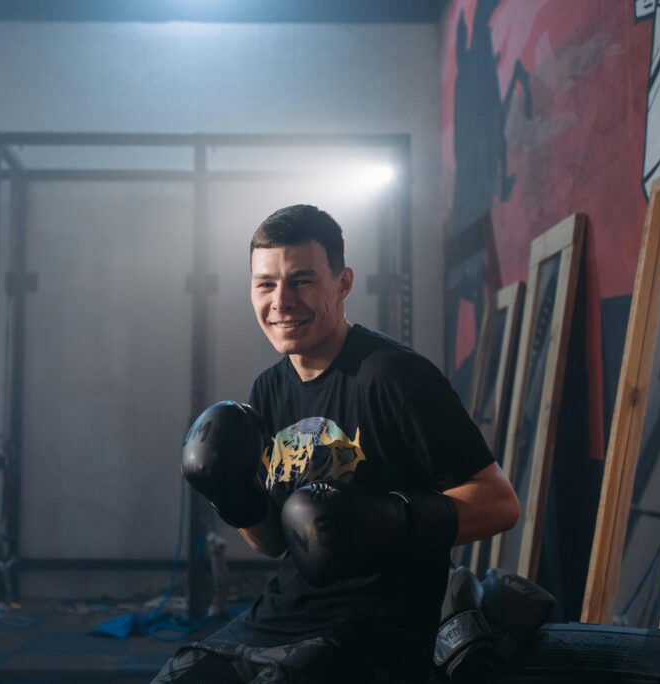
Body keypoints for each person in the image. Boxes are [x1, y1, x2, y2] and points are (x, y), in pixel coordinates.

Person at [161, 205, 520, 683]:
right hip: (281, 618)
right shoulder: (268, 389)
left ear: (344, 283)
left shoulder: (393, 377)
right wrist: (235, 496)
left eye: (302, 280)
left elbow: (500, 503)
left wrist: (389, 518)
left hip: (379, 628)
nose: (281, 301)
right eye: (265, 284)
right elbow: (272, 544)